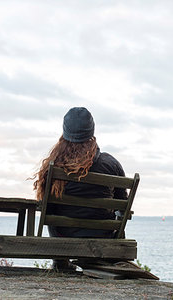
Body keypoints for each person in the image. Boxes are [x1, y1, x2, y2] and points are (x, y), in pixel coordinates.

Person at [33, 107, 127, 270]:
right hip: (103, 235)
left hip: (64, 235)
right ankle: (106, 261)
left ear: (65, 132)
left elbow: (46, 206)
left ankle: (60, 262)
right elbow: (122, 204)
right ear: (92, 131)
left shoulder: (54, 166)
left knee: (52, 211)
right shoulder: (111, 163)